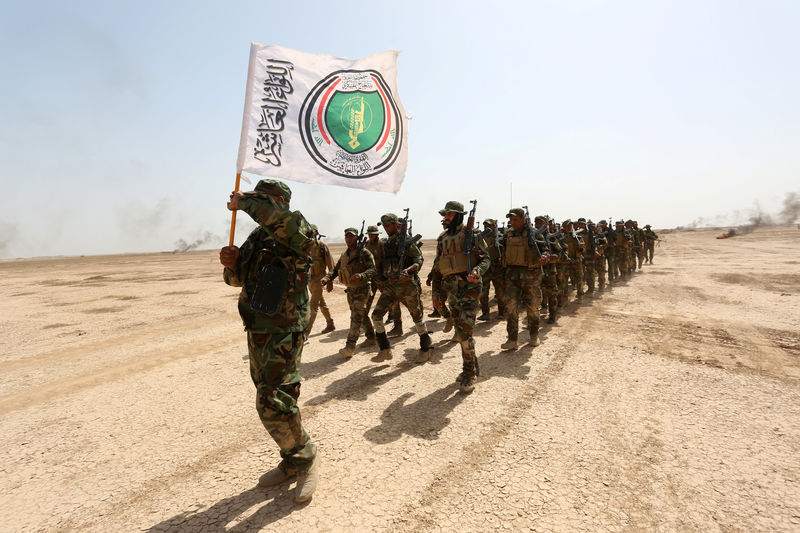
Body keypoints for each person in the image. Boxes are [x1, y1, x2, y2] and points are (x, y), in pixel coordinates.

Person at [219, 179, 318, 503]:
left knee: (272, 402)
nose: (257, 206)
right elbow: (238, 280)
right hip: (258, 328)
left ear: (278, 202)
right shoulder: (258, 237)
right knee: (274, 398)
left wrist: (244, 201)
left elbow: (277, 220)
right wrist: (232, 265)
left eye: (264, 201)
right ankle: (292, 460)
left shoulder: (298, 229)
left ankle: (305, 459)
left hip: (285, 329)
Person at [432, 201, 490, 392]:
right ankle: (473, 365)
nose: (446, 218)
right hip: (452, 290)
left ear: (458, 215)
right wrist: (436, 294)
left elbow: (486, 259)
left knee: (465, 333)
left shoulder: (471, 235)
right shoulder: (442, 239)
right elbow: (437, 268)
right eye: (445, 215)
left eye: (449, 214)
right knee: (461, 331)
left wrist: (477, 271)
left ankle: (469, 372)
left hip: (470, 288)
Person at [370, 213, 432, 362]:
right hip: (390, 286)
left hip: (407, 286)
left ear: (396, 224)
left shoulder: (406, 241)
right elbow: (381, 263)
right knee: (376, 316)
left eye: (388, 225)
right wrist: (379, 278)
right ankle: (385, 349)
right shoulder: (384, 243)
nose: (385, 228)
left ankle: (426, 346)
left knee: (417, 317)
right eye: (383, 225)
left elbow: (419, 259)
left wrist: (410, 270)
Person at [321, 227, 376, 357]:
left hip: (363, 289)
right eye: (347, 237)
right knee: (360, 315)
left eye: (352, 237)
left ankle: (349, 347)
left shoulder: (365, 253)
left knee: (355, 317)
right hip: (350, 290)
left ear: (357, 238)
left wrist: (362, 275)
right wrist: (326, 279)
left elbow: (373, 269)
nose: (349, 239)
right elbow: (335, 270)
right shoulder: (344, 255)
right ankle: (372, 337)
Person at [501, 208, 550, 350]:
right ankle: (512, 339)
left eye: (515, 219)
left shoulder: (534, 233)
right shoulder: (508, 234)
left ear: (523, 219)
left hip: (531, 276)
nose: (513, 222)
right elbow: (503, 252)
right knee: (510, 307)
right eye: (511, 219)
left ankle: (534, 335)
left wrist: (545, 257)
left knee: (533, 306)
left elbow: (545, 249)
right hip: (512, 275)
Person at [304, 225, 335, 337]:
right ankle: (330, 323)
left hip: (320, 280)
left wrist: (330, 281)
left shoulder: (322, 246)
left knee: (313, 306)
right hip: (309, 280)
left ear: (316, 233)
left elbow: (331, 266)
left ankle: (305, 333)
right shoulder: (305, 246)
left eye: (312, 232)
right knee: (321, 303)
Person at [477, 218, 506, 321]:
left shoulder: (500, 237)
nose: (487, 228)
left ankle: (502, 312)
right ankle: (485, 314)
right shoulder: (481, 238)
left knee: (500, 292)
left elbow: (506, 251)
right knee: (483, 293)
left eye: (489, 226)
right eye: (485, 226)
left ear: (494, 226)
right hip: (486, 269)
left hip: (497, 268)